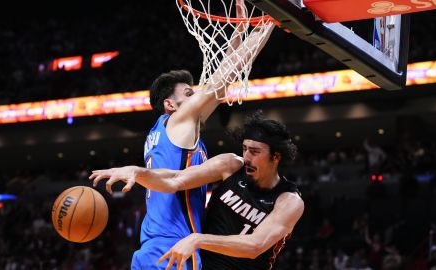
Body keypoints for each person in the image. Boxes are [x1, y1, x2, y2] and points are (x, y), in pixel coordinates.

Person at [103, 2, 274, 268]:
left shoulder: (164, 131)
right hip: (173, 247)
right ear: (170, 105)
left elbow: (217, 87)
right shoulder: (180, 120)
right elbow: (223, 78)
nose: (196, 96)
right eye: (188, 94)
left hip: (151, 246)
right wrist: (267, 25)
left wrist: (240, 31)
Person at [90, 112, 305, 269]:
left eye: (255, 151)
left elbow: (255, 246)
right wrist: (138, 173)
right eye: (245, 149)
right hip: (201, 265)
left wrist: (198, 239)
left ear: (276, 157)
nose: (247, 157)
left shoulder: (289, 201)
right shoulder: (230, 165)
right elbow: (176, 179)